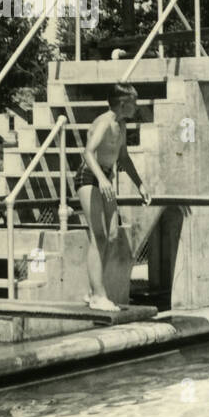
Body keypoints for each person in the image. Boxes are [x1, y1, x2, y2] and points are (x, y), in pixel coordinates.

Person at [75, 83, 151, 311]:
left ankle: (93, 290)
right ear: (123, 103)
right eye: (134, 103)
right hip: (89, 177)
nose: (136, 107)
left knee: (112, 235)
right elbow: (88, 152)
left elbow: (124, 159)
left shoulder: (122, 126)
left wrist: (141, 185)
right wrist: (103, 179)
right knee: (98, 235)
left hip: (104, 178)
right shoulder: (105, 123)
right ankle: (99, 295)